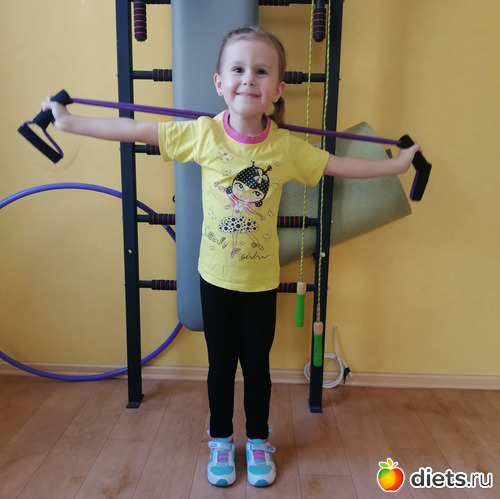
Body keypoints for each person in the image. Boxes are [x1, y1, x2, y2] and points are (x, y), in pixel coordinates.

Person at [41, 26, 421, 488]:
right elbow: (135, 128)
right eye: (238, 69)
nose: (248, 79)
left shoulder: (286, 148)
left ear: (277, 89)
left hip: (260, 283)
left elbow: (340, 165)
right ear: (220, 83)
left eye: (261, 71)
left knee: (257, 368)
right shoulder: (204, 135)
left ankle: (258, 439)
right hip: (215, 278)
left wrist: (396, 164)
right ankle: (220, 438)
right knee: (220, 367)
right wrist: (68, 122)